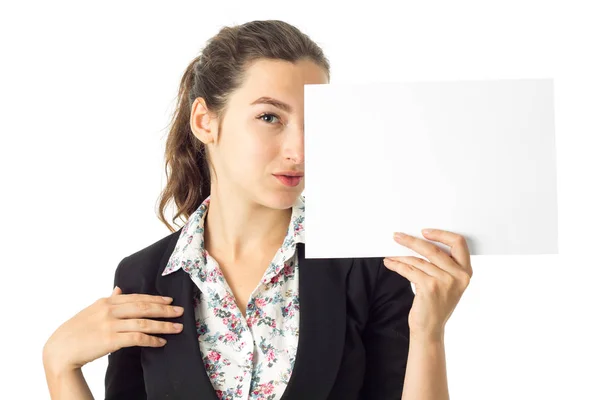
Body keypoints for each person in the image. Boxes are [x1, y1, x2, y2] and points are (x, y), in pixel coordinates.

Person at [42, 20, 473, 400]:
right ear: (205, 121)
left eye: (314, 122)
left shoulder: (370, 267)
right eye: (270, 117)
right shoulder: (144, 277)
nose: (300, 149)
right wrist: (59, 364)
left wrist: (429, 334)